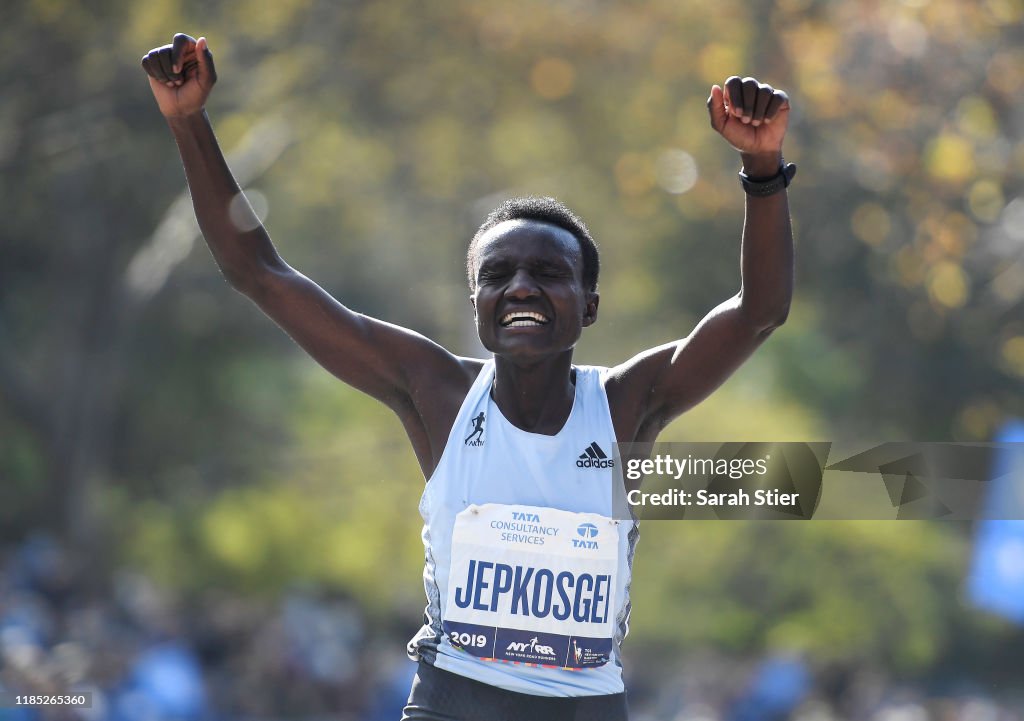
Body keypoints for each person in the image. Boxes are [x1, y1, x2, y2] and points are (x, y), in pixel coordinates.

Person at [142, 32, 794, 721]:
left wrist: (763, 167)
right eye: (497, 276)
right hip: (454, 702)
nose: (519, 288)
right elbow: (261, 276)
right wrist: (188, 121)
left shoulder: (627, 403)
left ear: (591, 305)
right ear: (476, 304)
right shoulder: (439, 392)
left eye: (547, 274)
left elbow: (759, 311)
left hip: (585, 706)